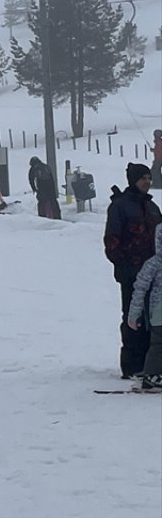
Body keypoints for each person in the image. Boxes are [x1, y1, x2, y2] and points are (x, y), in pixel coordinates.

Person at [105, 163, 162, 378]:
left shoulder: (153, 207)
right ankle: (132, 365)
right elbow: (112, 241)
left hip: (156, 275)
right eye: (142, 178)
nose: (147, 182)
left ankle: (152, 365)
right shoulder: (120, 206)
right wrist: (125, 266)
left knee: (155, 319)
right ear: (133, 180)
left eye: (148, 177)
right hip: (131, 273)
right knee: (133, 317)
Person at [127, 225, 162, 390]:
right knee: (158, 344)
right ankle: (151, 376)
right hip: (159, 314)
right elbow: (140, 289)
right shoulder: (153, 264)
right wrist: (133, 315)